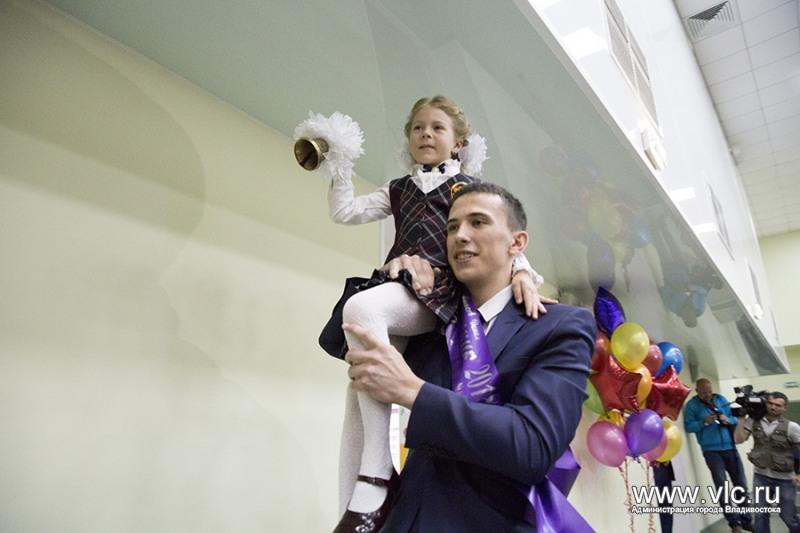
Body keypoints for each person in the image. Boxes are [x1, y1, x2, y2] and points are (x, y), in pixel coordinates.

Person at [313, 96, 553, 530]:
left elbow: (499, 232)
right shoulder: (398, 188)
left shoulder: (469, 189)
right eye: (418, 127)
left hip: (439, 293)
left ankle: (378, 474)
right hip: (398, 289)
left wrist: (522, 272)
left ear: (458, 143)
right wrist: (340, 162)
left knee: (361, 307)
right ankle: (353, 509)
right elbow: (344, 211)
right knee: (359, 392)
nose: (426, 134)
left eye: (438, 127)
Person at [343, 182, 595, 532]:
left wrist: (414, 392)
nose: (460, 236)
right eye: (451, 227)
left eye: (478, 222)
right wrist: (392, 282)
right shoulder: (432, 319)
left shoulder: (559, 326)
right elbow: (342, 341)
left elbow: (533, 447)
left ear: (517, 243)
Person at [684, 378, 753, 532]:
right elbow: (688, 427)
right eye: (703, 392)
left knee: (741, 485)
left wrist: (728, 419)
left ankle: (747, 520)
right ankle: (734, 523)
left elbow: (735, 419)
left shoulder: (721, 399)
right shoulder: (692, 406)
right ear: (697, 391)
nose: (707, 395)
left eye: (709, 391)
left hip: (731, 448)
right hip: (711, 451)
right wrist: (704, 422)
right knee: (722, 487)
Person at [734, 391, 800, 533]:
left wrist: (798, 474)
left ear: (785, 408)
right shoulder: (753, 421)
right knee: (760, 514)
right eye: (770, 403)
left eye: (778, 405)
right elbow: (738, 439)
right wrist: (741, 417)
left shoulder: (792, 427)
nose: (773, 407)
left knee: (788, 517)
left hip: (785, 479)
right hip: (761, 476)